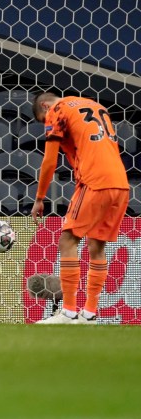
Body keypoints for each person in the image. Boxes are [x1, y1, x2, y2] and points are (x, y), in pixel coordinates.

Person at [30, 92, 130, 324]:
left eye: (43, 118)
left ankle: (68, 312)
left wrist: (39, 197)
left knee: (68, 241)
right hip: (120, 184)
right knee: (96, 245)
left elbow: (50, 161)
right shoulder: (96, 105)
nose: (47, 122)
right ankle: (89, 314)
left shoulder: (57, 110)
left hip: (94, 181)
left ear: (45, 106)